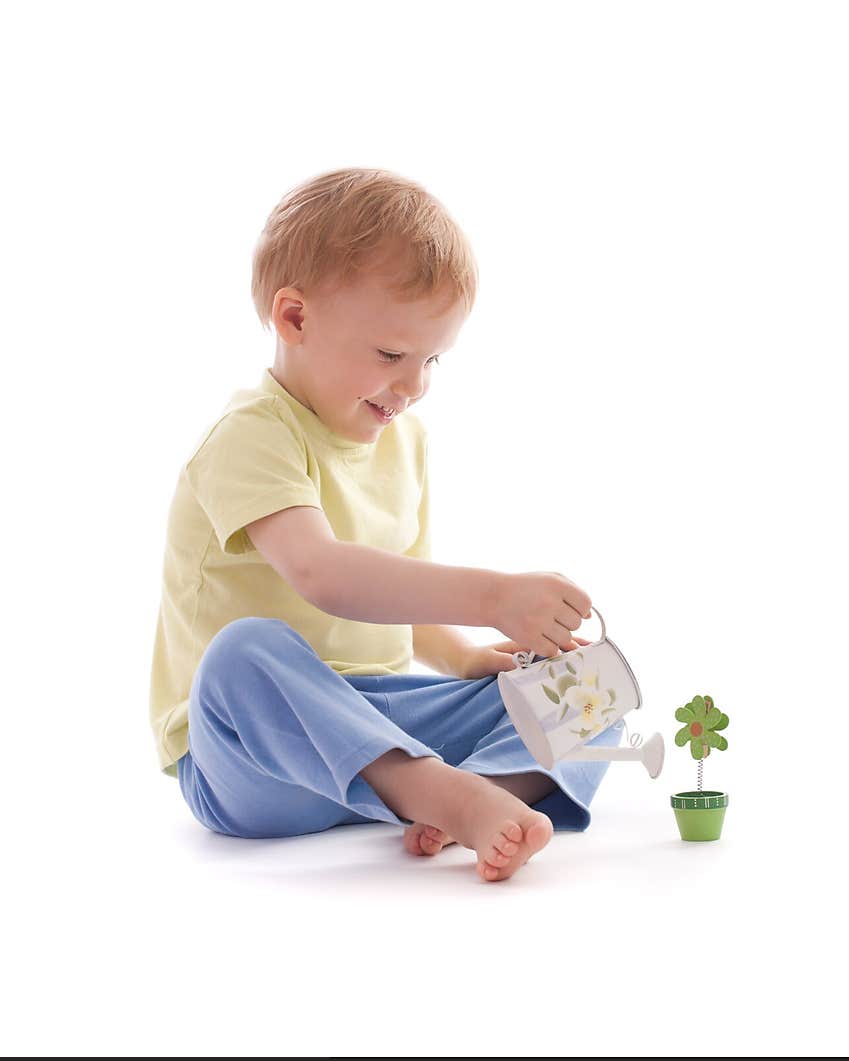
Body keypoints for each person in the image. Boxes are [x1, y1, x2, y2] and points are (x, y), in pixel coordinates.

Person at [148, 167, 623, 882]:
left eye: (433, 359)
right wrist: (495, 597)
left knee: (590, 686)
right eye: (393, 356)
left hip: (381, 722)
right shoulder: (251, 436)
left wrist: (464, 659)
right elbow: (325, 575)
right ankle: (444, 793)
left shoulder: (406, 441)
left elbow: (399, 596)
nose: (415, 385)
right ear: (295, 319)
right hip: (253, 753)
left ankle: (459, 792)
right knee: (241, 653)